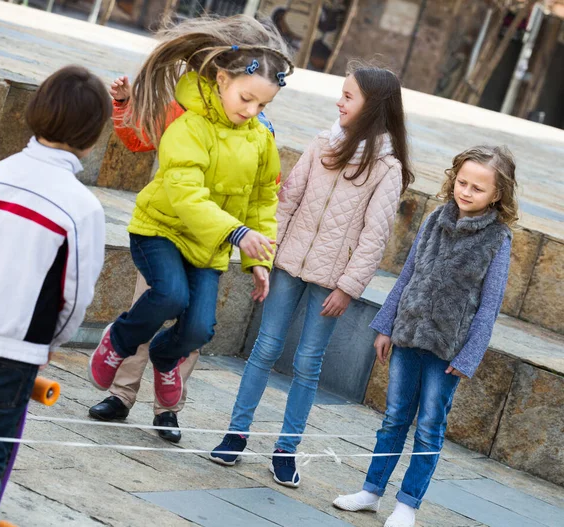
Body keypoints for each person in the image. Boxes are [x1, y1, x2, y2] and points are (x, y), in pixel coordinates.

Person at [210, 64, 414, 488]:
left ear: (372, 106)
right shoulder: (322, 143)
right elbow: (284, 205)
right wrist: (264, 259)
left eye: (348, 96)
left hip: (331, 280)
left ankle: (286, 450)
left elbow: (374, 238)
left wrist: (347, 288)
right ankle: (236, 434)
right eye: (341, 94)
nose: (339, 102)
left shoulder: (386, 168)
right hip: (286, 264)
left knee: (307, 362)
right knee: (264, 348)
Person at [87, 15, 294, 416]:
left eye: (262, 103)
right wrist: (125, 104)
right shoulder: (184, 114)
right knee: (159, 301)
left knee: (196, 328)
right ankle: (121, 394)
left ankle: (169, 410)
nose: (252, 110)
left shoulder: (259, 132)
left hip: (212, 242)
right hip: (166, 229)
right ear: (222, 77)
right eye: (247, 99)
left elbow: (262, 199)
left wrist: (258, 258)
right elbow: (138, 138)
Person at [333, 146, 518, 527]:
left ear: (497, 194)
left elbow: (489, 306)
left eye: (477, 188)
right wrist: (386, 325)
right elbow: (408, 275)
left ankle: (407, 504)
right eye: (462, 183)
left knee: (431, 425)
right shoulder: (434, 220)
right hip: (407, 337)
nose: (466, 192)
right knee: (394, 418)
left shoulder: (497, 239)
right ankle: (371, 491)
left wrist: (468, 358)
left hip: (448, 350)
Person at [0, 65, 109, 526]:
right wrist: (46, 345)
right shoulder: (81, 207)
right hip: (12, 353)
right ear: (92, 135)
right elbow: (74, 299)